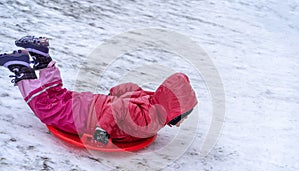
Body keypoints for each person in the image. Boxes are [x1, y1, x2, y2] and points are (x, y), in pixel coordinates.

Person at [0, 36, 198, 144]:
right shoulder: (149, 121)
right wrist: (103, 130)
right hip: (87, 117)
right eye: (185, 114)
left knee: (58, 95)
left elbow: (129, 89)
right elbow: (118, 108)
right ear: (175, 111)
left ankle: (42, 58)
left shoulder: (150, 99)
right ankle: (21, 68)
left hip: (93, 101)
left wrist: (112, 94)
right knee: (47, 109)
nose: (185, 119)